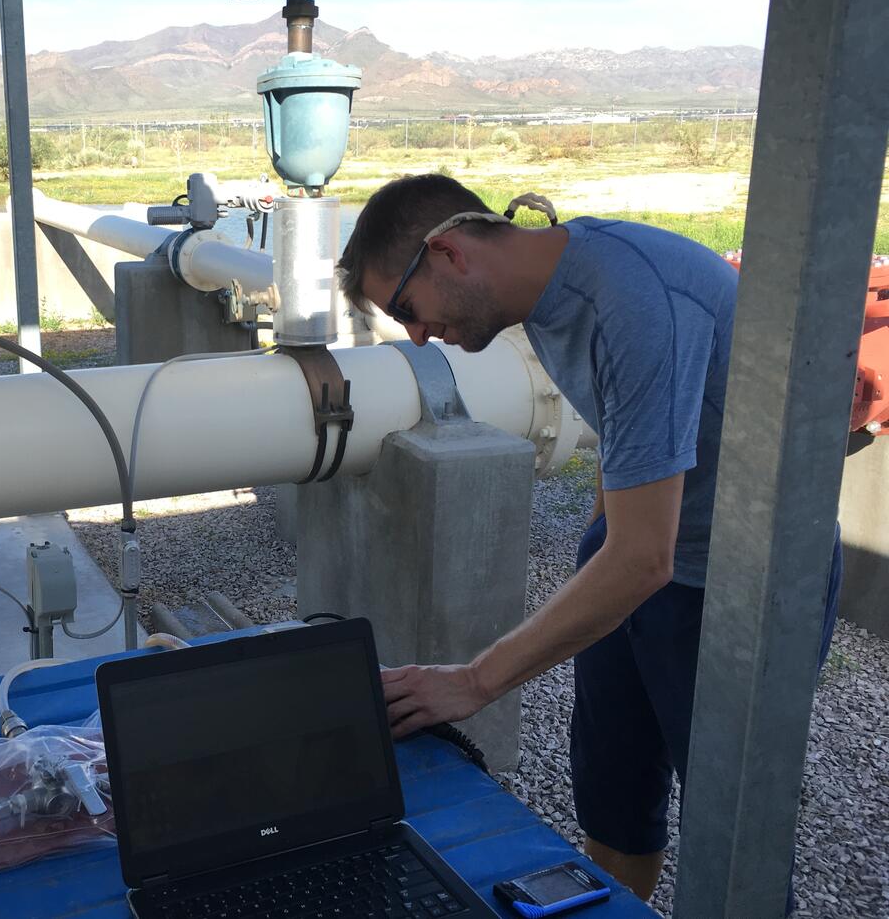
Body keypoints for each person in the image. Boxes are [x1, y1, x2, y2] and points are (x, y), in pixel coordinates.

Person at [336, 173, 842, 905]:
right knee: (615, 801)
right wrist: (603, 539)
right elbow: (627, 451)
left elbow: (646, 558)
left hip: (741, 590)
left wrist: (474, 681)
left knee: (734, 838)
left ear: (448, 252)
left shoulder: (630, 298)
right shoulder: (538, 291)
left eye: (408, 310)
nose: (418, 337)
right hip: (636, 558)